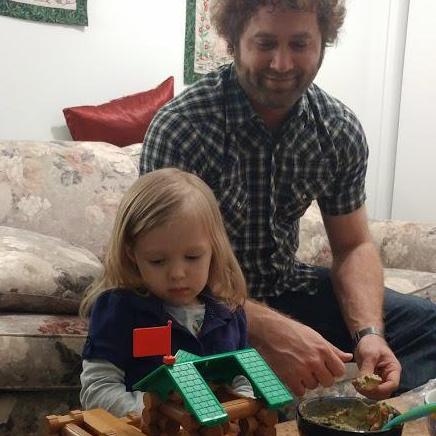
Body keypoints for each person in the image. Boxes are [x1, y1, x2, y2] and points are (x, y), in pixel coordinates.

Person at [140, 0, 436, 400]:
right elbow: (158, 267)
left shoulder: (338, 130)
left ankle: (362, 417)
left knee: (428, 326)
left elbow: (353, 245)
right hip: (193, 299)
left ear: (323, 43)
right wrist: (264, 328)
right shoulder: (182, 127)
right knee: (242, 394)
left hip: (287, 284)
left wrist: (368, 333)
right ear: (234, 41)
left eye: (300, 44)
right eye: (265, 44)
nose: (281, 64)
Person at [79, 168, 253, 418]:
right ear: (132, 254)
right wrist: (152, 412)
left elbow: (242, 379)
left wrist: (241, 409)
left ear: (213, 249)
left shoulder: (229, 312)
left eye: (192, 257)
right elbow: (96, 391)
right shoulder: (119, 310)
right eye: (158, 260)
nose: (177, 274)